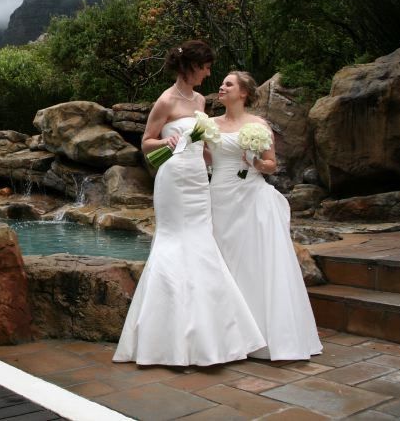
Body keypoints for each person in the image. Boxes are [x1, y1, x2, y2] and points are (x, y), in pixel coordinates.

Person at [113, 42, 265, 366]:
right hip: (172, 178)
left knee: (201, 243)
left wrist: (231, 156)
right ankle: (165, 336)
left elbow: (202, 144)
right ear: (191, 66)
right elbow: (146, 144)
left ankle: (211, 334)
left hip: (198, 178)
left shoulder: (199, 101)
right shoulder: (165, 100)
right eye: (206, 66)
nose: (210, 73)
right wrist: (163, 141)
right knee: (174, 241)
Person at [209, 71, 322, 360]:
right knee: (220, 261)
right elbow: (205, 159)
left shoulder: (258, 125)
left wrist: (256, 162)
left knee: (252, 262)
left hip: (250, 197)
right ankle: (225, 334)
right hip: (218, 196)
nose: (222, 87)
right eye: (222, 83)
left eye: (228, 84)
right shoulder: (209, 125)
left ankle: (260, 336)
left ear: (244, 92)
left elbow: (272, 164)